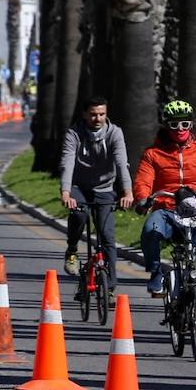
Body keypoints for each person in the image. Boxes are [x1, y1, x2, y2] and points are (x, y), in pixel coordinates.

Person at [132, 98, 196, 341]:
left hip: (195, 214)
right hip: (166, 210)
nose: (180, 129)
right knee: (151, 230)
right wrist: (143, 199)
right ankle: (155, 272)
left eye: (184, 124)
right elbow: (143, 181)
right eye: (174, 125)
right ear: (166, 126)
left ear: (191, 124)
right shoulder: (153, 154)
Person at [59, 96, 133, 301]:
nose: (97, 118)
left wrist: (127, 192)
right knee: (80, 216)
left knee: (107, 237)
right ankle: (72, 250)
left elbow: (121, 163)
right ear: (84, 115)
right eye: (93, 114)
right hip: (79, 187)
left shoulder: (115, 133)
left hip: (105, 188)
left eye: (101, 114)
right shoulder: (74, 133)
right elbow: (67, 163)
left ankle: (109, 287)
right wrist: (65, 192)